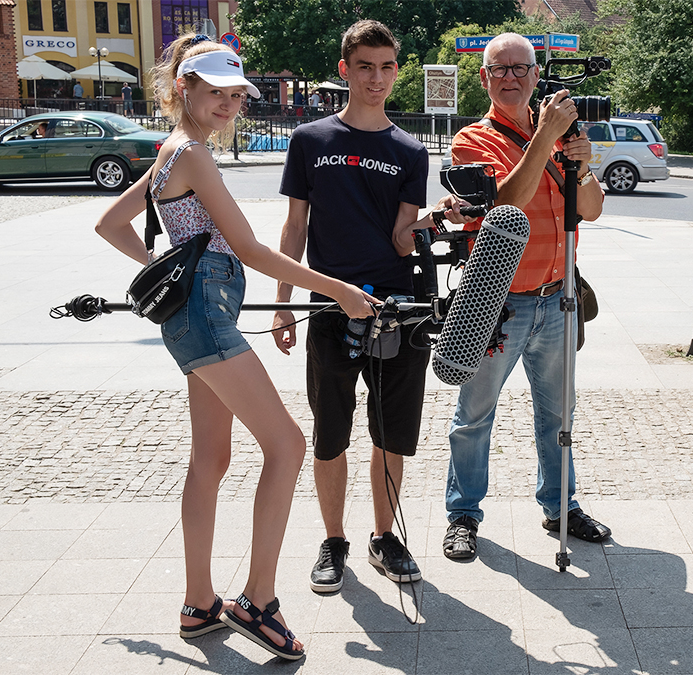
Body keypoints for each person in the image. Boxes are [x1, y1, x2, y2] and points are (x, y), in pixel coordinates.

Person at [95, 34, 378, 661]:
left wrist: (165, 272)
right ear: (183, 89)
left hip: (197, 309)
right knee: (287, 444)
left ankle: (199, 605)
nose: (228, 104)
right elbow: (249, 248)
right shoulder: (190, 153)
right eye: (215, 92)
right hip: (205, 313)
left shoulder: (171, 151)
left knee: (210, 459)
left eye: (235, 95)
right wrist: (339, 291)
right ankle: (257, 599)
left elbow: (110, 224)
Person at [272, 19, 470, 593]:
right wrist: (284, 305)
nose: (377, 78)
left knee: (391, 434)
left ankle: (385, 538)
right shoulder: (310, 139)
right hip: (331, 310)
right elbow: (294, 227)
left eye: (386, 67)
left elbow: (402, 238)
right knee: (331, 433)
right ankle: (334, 542)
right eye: (365, 66)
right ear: (345, 70)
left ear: (396, 71)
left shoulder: (408, 150)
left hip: (397, 312)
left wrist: (435, 217)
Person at [441, 32, 611, 562]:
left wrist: (580, 164)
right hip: (497, 302)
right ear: (486, 78)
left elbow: (593, 208)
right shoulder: (474, 139)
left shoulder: (565, 135)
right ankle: (463, 514)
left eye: (520, 68)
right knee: (474, 414)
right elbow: (502, 201)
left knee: (559, 413)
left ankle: (561, 505)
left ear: (536, 76)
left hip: (558, 297)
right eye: (499, 70)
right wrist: (546, 139)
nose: (510, 77)